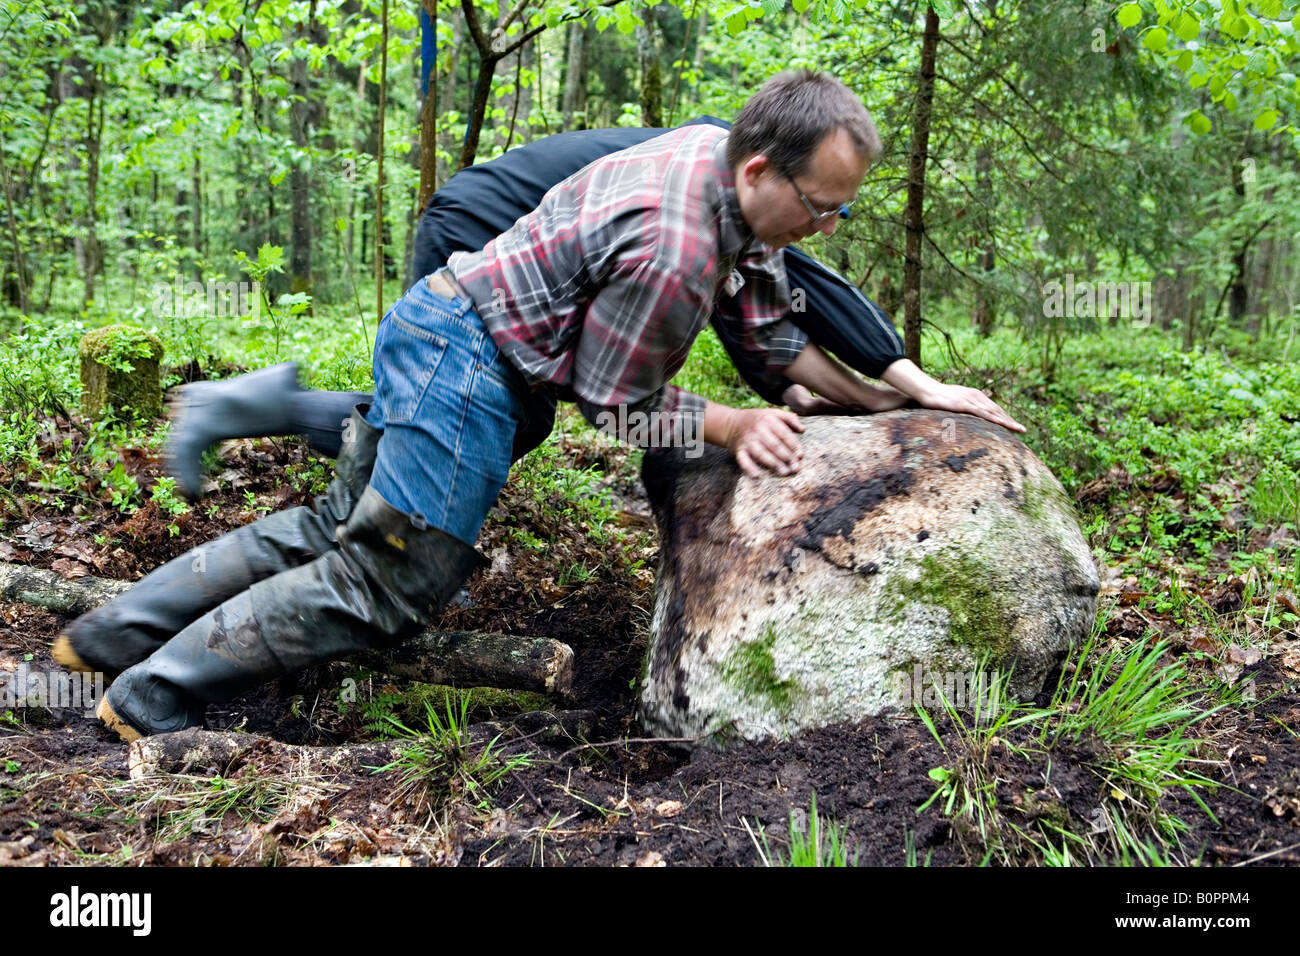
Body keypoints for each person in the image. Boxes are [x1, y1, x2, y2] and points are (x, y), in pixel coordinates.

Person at [57, 71, 1018, 742]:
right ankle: (149, 694)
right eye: (821, 205)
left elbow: (771, 334)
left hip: (444, 325)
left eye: (842, 210)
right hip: (462, 360)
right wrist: (728, 425)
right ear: (762, 169)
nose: (828, 228)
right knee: (393, 577)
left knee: (334, 528)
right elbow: (613, 402)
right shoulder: (676, 248)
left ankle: (97, 643)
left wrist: (907, 395)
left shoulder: (715, 167)